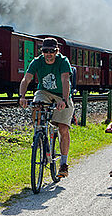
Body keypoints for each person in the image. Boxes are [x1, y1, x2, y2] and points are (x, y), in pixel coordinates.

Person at [19, 38, 74, 178]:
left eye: (51, 51)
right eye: (45, 51)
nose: (48, 54)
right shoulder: (37, 61)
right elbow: (26, 79)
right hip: (44, 92)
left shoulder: (63, 61)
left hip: (62, 94)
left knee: (63, 128)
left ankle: (63, 164)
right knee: (37, 105)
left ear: (57, 51)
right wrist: (22, 96)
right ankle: (38, 132)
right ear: (42, 51)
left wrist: (64, 100)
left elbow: (65, 80)